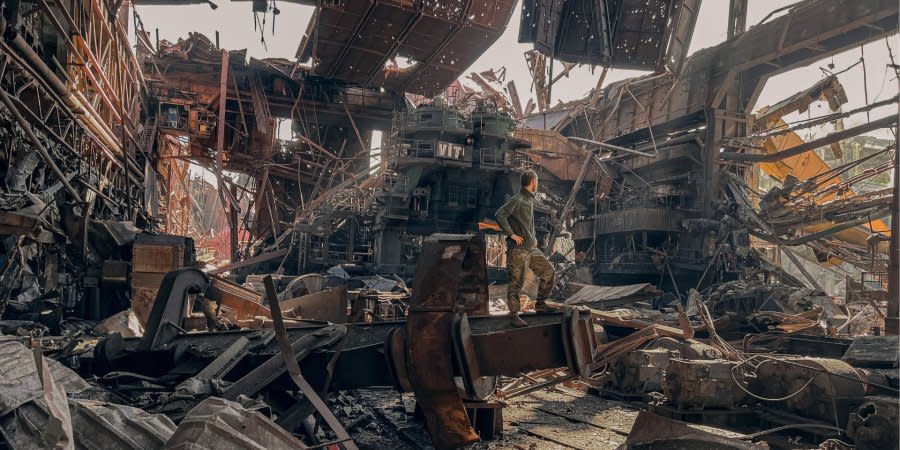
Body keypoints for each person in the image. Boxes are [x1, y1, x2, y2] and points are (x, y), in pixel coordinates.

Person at [495, 170, 556, 327]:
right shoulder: (519, 199)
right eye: (537, 181)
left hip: (530, 248)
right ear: (533, 182)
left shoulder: (529, 199)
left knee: (549, 272)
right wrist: (511, 234)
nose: (537, 183)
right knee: (516, 282)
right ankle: (514, 315)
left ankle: (541, 304)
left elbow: (528, 223)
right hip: (518, 250)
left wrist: (533, 237)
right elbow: (500, 214)